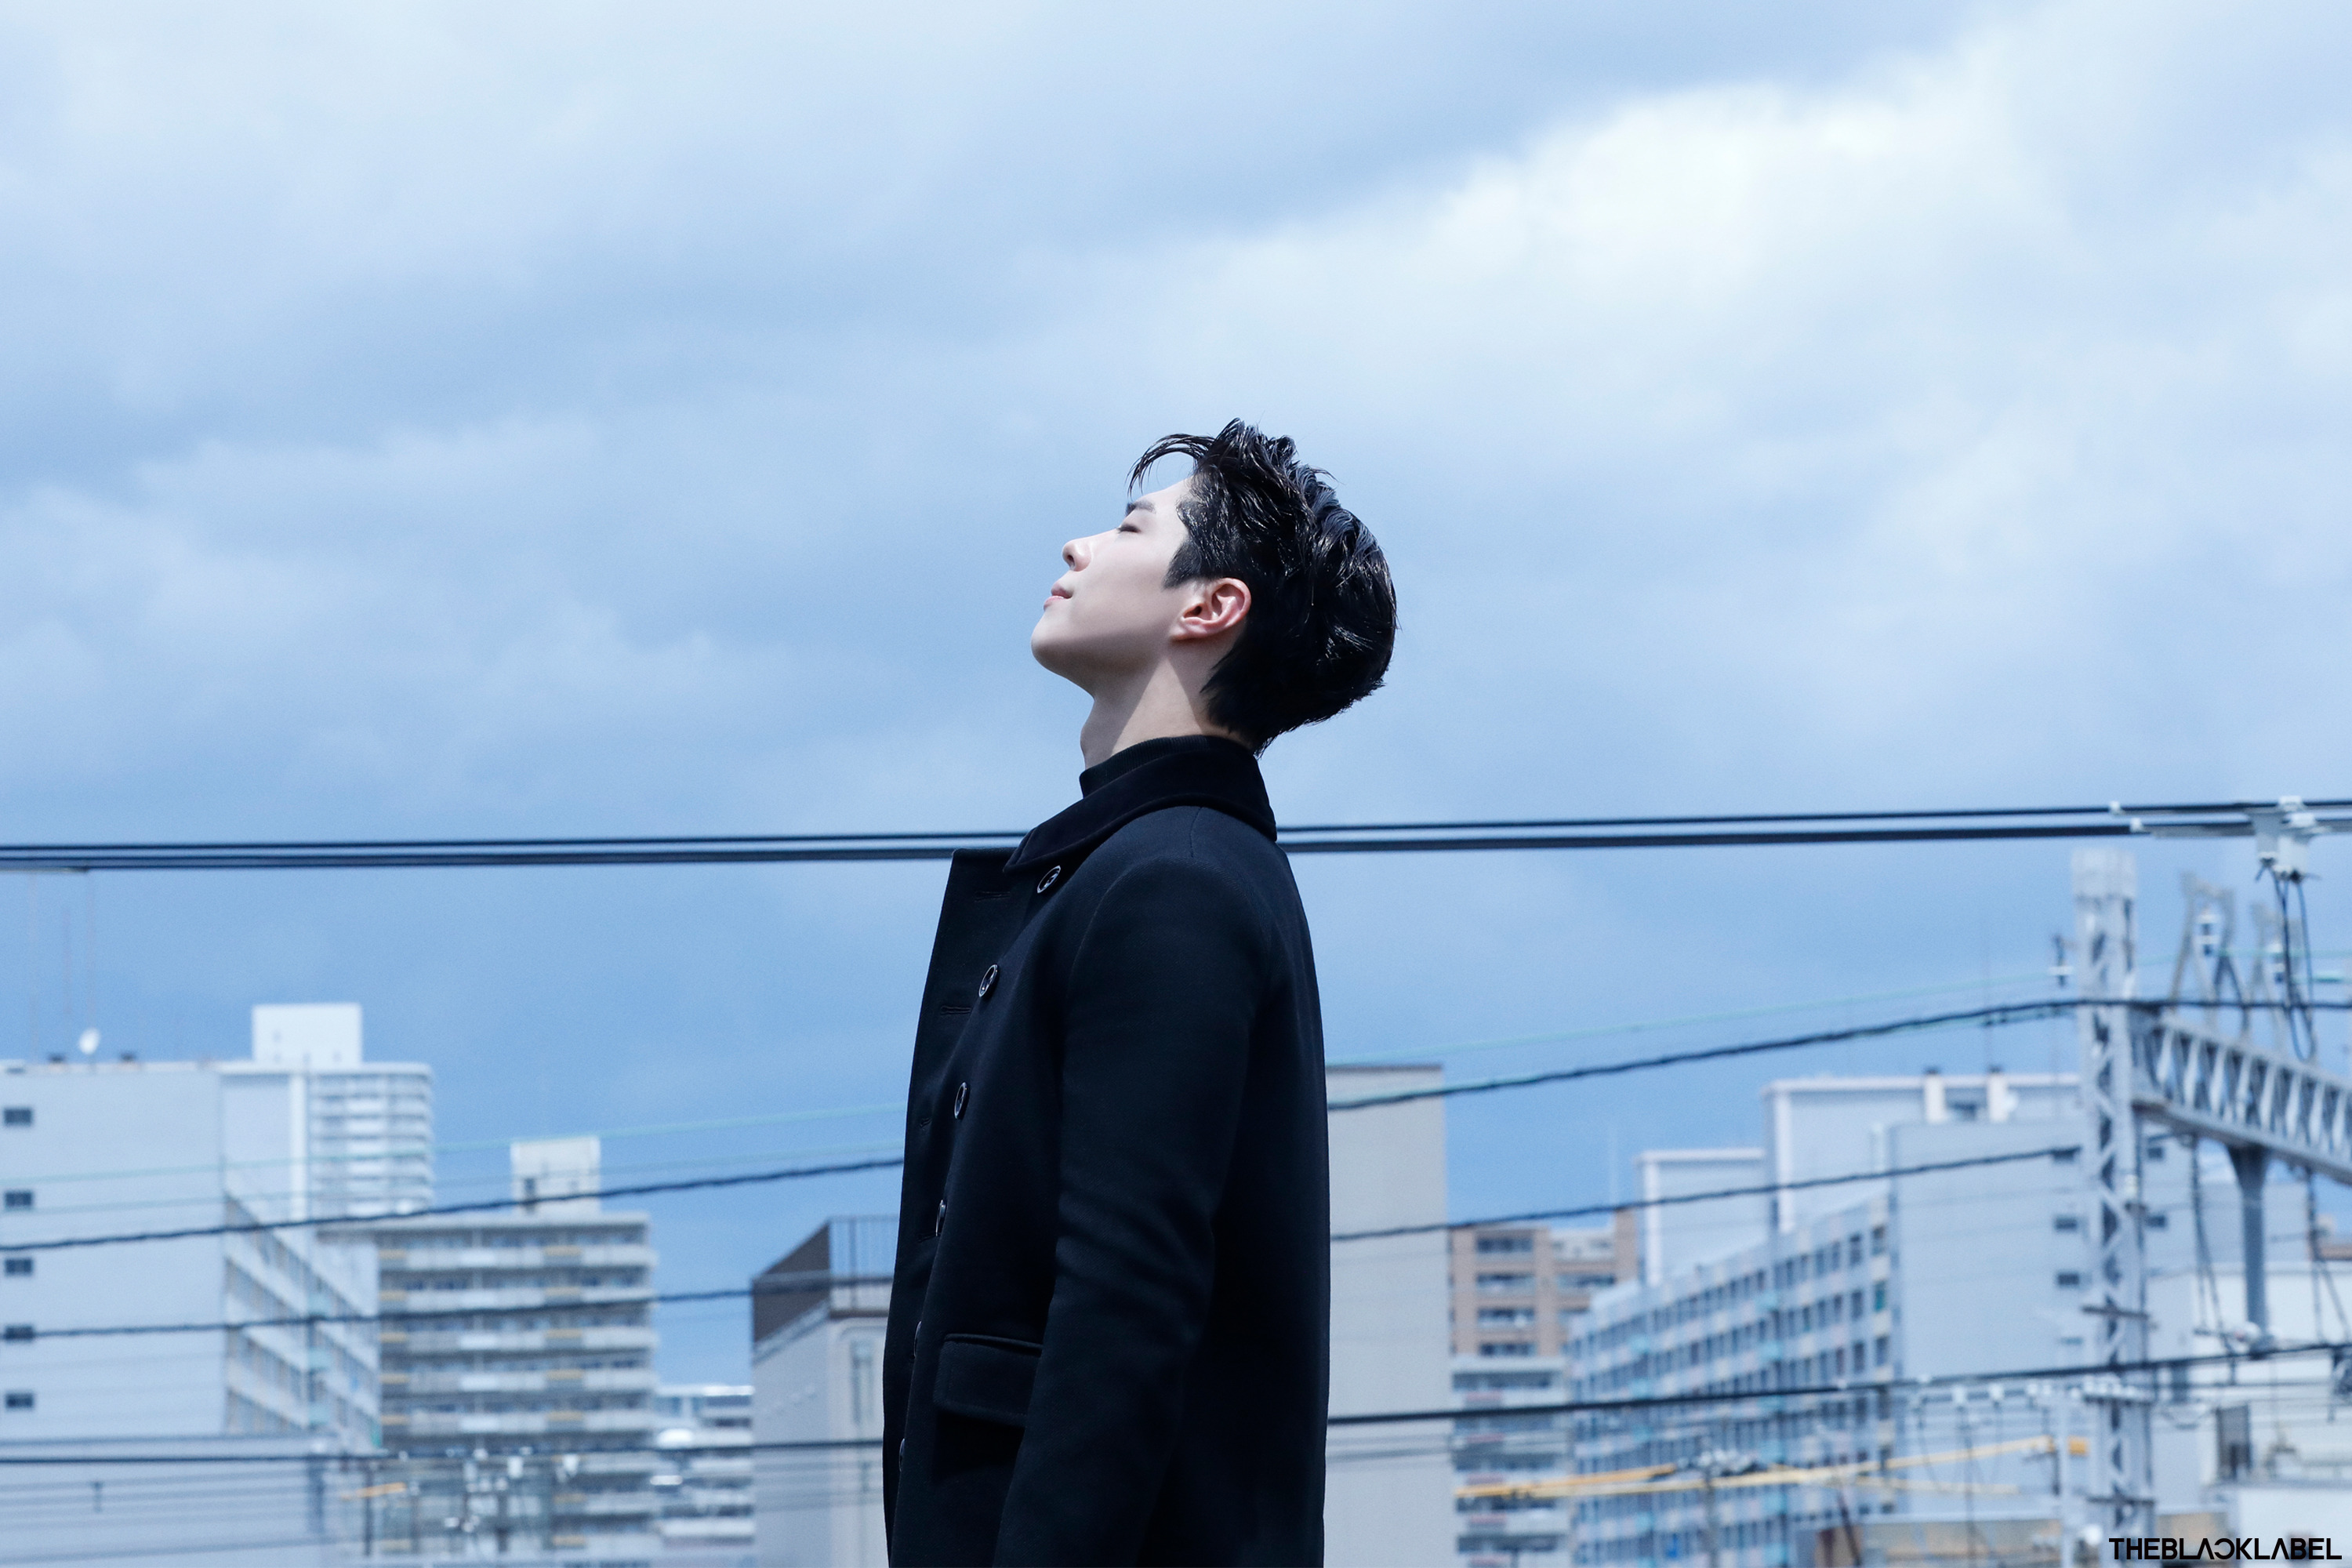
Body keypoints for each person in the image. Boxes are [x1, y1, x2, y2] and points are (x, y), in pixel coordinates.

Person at [880, 420, 1398, 1566]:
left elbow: (1127, 1297)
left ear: (1210, 607)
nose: (1078, 547)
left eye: (1128, 528)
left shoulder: (1173, 881)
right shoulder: (1147, 869)